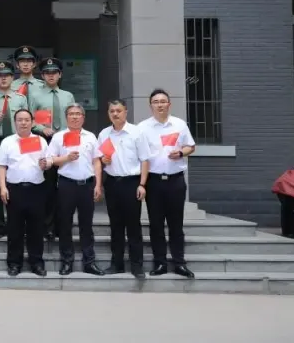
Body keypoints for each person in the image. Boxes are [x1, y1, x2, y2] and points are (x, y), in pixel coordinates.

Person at [139, 88, 196, 278]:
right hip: (154, 182)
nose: (160, 105)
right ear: (150, 106)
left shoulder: (179, 124)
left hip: (175, 180)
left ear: (169, 104)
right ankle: (160, 263)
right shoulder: (143, 128)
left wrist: (180, 152)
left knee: (176, 224)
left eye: (163, 101)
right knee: (156, 224)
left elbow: (191, 147)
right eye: (156, 102)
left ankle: (179, 263)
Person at [96, 99, 152, 279]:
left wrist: (142, 184)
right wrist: (103, 161)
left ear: (125, 112)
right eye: (112, 111)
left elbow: (145, 160)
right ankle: (117, 264)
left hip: (131, 183)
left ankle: (137, 266)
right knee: (115, 226)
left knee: (133, 226)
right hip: (112, 183)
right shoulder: (104, 134)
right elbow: (99, 159)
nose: (115, 114)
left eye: (118, 111)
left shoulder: (136, 132)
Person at [46, 103, 103, 276]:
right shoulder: (59, 137)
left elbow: (97, 161)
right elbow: (50, 160)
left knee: (87, 225)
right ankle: (67, 261)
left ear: (83, 117)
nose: (75, 117)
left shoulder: (91, 137)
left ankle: (89, 262)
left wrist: (98, 184)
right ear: (66, 117)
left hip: (87, 184)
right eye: (71, 114)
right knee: (65, 224)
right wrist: (66, 158)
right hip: (66, 184)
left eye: (78, 114)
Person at [0, 109, 51, 276]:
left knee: (36, 229)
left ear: (32, 122)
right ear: (15, 122)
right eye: (20, 120)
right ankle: (14, 263)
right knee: (14, 229)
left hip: (36, 189)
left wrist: (46, 164)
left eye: (27, 120)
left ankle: (37, 263)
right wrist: (3, 187)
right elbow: (1, 166)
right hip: (14, 190)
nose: (23, 123)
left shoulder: (41, 140)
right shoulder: (7, 142)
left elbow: (48, 160)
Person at [29, 57, 76, 242]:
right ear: (42, 75)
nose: (51, 75)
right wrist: (42, 128)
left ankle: (62, 227)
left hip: (65, 142)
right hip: (45, 140)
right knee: (48, 186)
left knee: (64, 187)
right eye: (47, 73)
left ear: (60, 75)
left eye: (54, 72)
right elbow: (29, 119)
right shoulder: (35, 96)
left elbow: (74, 118)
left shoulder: (68, 96)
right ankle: (47, 226)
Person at [0, 60, 29, 240]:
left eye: (7, 75)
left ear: (12, 78)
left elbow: (26, 121)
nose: (3, 79)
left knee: (16, 182)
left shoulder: (20, 98)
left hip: (17, 142)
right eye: (0, 76)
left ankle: (17, 223)